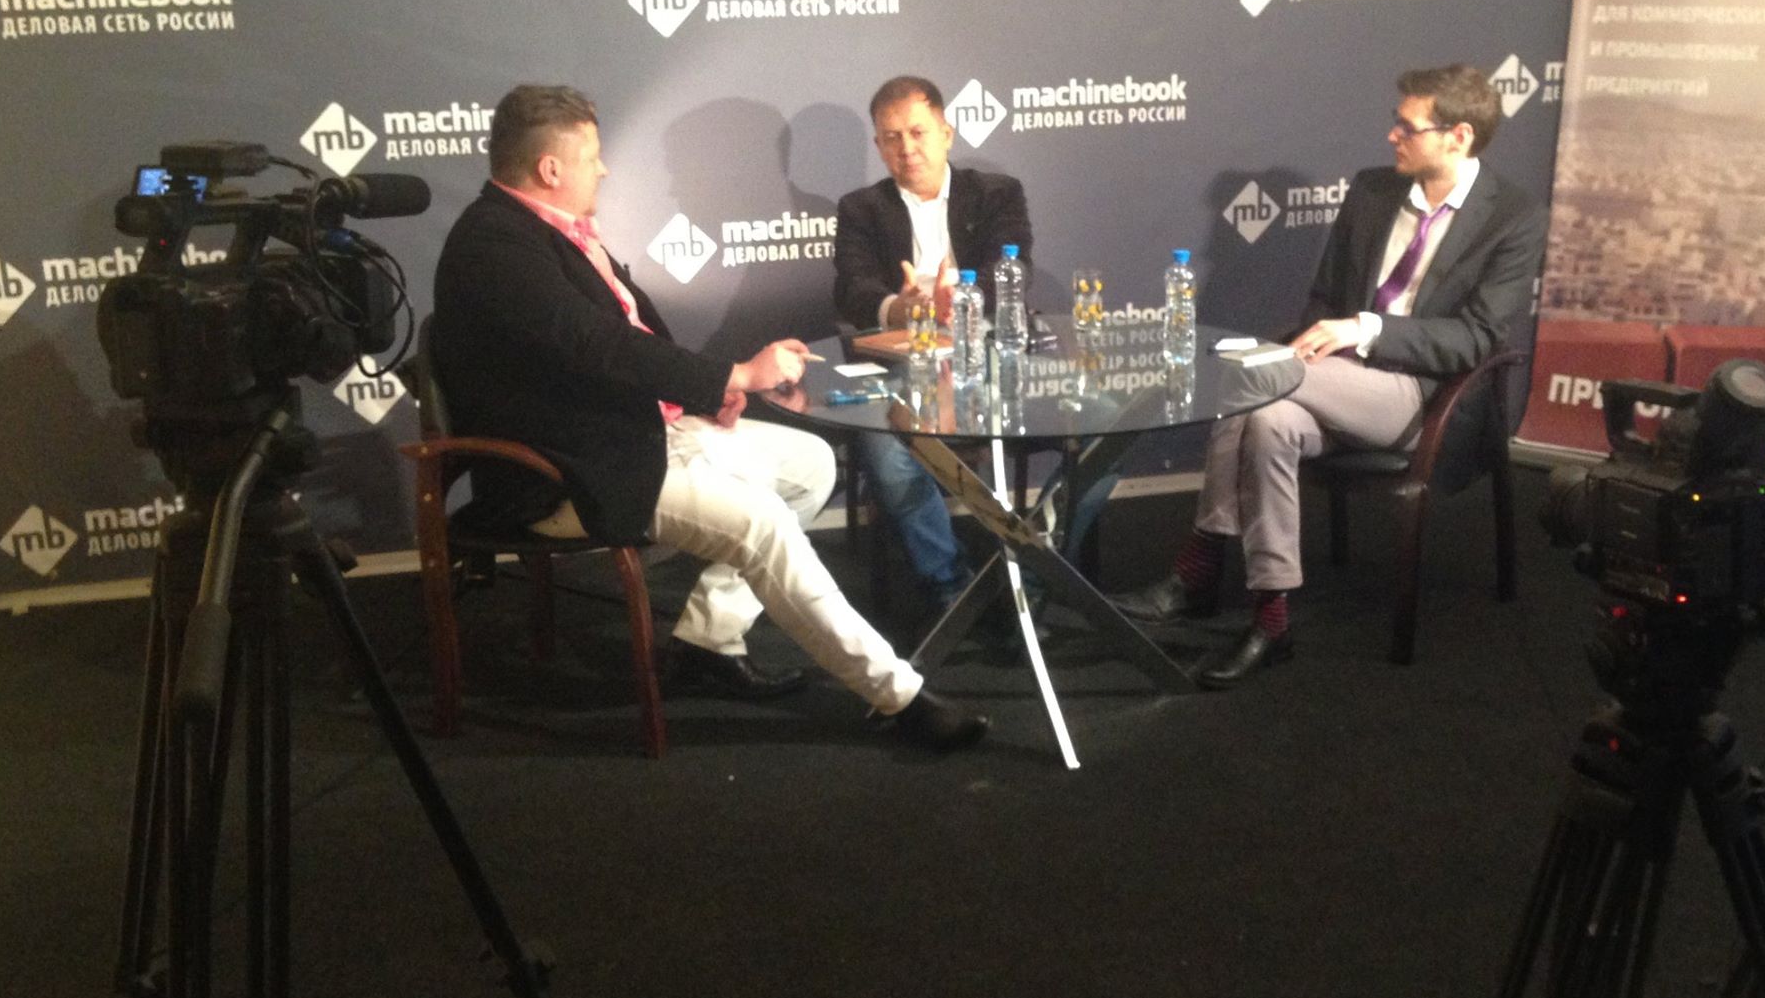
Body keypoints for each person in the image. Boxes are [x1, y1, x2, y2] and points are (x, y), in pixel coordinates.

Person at [430, 83, 987, 751]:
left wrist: (704, 392)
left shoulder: (547, 232)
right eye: (592, 157)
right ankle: (899, 695)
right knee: (762, 521)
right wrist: (733, 376)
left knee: (810, 465)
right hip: (569, 470)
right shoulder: (494, 244)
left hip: (630, 433)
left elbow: (630, 341)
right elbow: (598, 345)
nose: (603, 169)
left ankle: (708, 643)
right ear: (551, 169)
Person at [1111, 65, 1548, 688]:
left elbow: (1476, 337)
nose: (1392, 135)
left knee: (1249, 377)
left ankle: (1198, 568)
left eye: (1408, 126)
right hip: (1334, 379)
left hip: (1422, 394)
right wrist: (1320, 345)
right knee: (1267, 420)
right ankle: (1271, 620)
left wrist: (1366, 329)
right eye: (1395, 122)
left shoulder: (1514, 216)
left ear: (1459, 136)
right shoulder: (1373, 190)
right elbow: (1324, 298)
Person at [832, 76, 1033, 628]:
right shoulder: (861, 208)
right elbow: (853, 288)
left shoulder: (997, 193)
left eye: (918, 132)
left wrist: (962, 296)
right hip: (903, 362)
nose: (907, 148)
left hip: (988, 352)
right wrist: (901, 307)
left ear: (946, 132)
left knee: (1100, 428)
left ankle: (1039, 572)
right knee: (888, 449)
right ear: (878, 145)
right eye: (892, 137)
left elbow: (1013, 267)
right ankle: (951, 585)